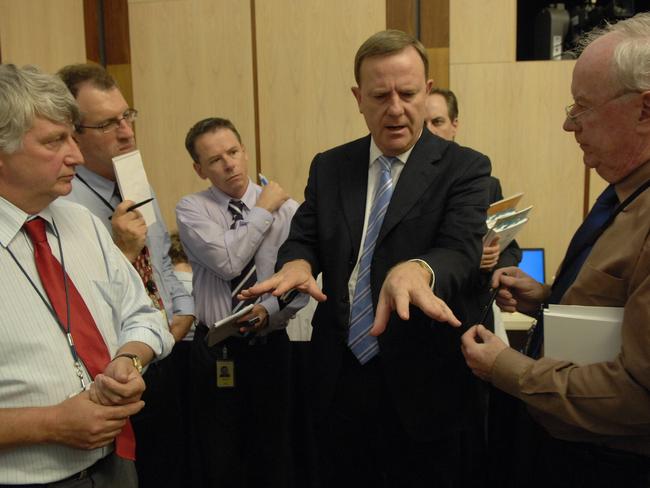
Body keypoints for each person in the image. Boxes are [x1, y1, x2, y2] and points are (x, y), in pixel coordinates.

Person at [241, 30, 491, 487]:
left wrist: (418, 269)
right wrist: (296, 264)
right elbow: (306, 238)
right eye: (380, 95)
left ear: (428, 91)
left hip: (423, 384)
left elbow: (461, 251)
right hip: (338, 377)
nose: (395, 108)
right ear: (359, 98)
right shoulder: (330, 166)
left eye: (408, 93)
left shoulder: (466, 168)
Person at [461, 13, 650, 488]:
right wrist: (549, 298)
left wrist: (507, 368)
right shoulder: (624, 193)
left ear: (645, 110)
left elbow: (637, 394)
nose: (568, 124)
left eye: (581, 107)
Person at [0, 64, 174, 486]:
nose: (75, 156)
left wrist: (127, 360)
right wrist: (49, 424)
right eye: (54, 141)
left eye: (72, 138)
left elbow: (145, 315)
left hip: (115, 465)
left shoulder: (83, 223)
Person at [57, 63, 194, 488]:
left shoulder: (132, 174)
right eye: (107, 124)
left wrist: (183, 312)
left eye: (127, 116)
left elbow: (161, 260)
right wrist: (121, 250)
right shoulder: (64, 202)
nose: (126, 132)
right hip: (116, 369)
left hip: (166, 345)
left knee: (178, 466)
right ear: (74, 133)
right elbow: (71, 299)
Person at [176, 117, 306, 488]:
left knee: (275, 455)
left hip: (270, 345)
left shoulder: (290, 209)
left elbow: (300, 280)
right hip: (216, 348)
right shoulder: (192, 209)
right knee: (220, 460)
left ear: (245, 152)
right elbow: (227, 261)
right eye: (215, 159)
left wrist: (272, 311)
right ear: (199, 169)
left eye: (233, 152)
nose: (229, 164)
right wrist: (262, 210)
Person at [425, 87, 522, 331]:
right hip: (424, 314)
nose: (429, 130)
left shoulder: (486, 184)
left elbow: (511, 249)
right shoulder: (403, 187)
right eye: (423, 122)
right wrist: (469, 255)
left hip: (473, 314)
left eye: (437, 121)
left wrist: (495, 264)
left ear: (454, 125)